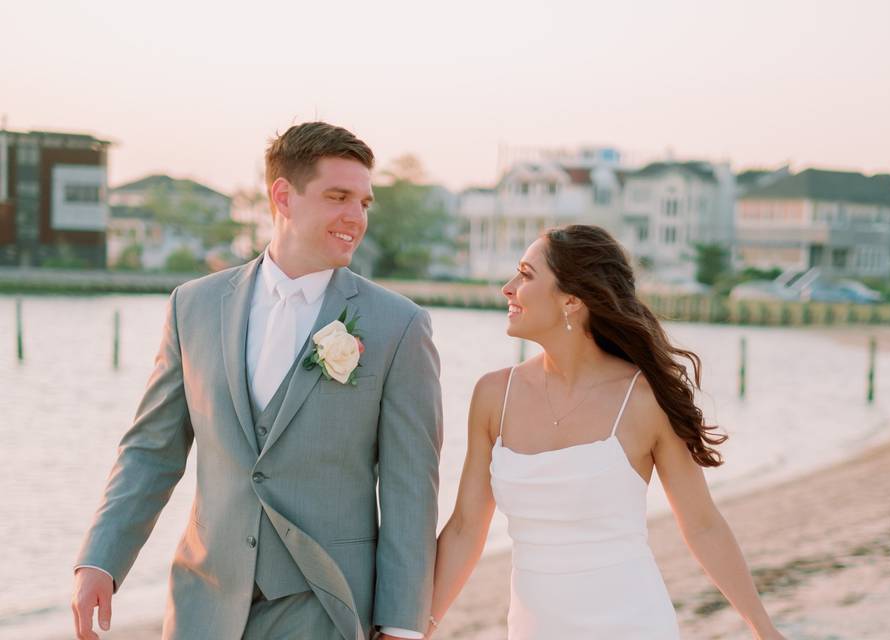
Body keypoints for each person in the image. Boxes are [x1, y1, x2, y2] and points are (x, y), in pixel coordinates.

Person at [71, 121, 442, 640]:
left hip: (326, 603)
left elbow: (410, 489)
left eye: (364, 202)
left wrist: (402, 625)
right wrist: (100, 559)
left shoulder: (397, 326)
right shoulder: (194, 306)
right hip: (205, 601)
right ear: (283, 197)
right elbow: (151, 451)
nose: (355, 217)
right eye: (339, 197)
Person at [428, 225, 786, 639]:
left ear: (572, 300)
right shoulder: (494, 395)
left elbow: (702, 524)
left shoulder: (643, 399)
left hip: (631, 624)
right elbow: (465, 529)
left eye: (526, 275)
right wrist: (421, 626)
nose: (508, 289)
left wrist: (763, 628)